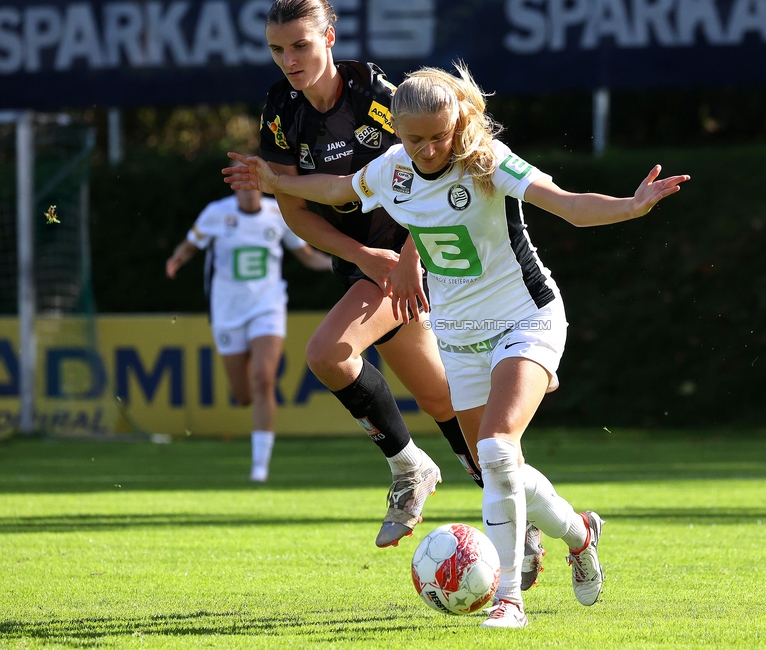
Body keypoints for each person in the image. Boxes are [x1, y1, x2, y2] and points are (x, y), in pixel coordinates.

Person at [224, 62, 690, 628]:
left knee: (494, 449)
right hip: (460, 336)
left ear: (458, 122)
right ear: (395, 128)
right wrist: (275, 182)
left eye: (437, 136)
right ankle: (580, 532)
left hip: (526, 318)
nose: (425, 148)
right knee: (497, 464)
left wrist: (630, 206)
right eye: (413, 137)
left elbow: (567, 204)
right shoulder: (392, 169)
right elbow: (336, 189)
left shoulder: (487, 162)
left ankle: (509, 599)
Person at [255, 0, 552, 580]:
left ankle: (410, 466)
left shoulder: (378, 97)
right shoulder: (280, 111)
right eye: (277, 49)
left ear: (329, 38)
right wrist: (361, 254)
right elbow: (294, 207)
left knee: (328, 353)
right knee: (442, 401)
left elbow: (435, 182)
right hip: (370, 264)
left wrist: (405, 258)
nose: (289, 60)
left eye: (300, 46)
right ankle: (527, 518)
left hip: (412, 261)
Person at [166, 174, 333, 482]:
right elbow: (190, 245)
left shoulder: (277, 213)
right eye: (241, 183)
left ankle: (260, 467)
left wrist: (340, 262)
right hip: (227, 310)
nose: (248, 189)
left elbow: (306, 256)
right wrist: (177, 259)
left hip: (267, 306)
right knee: (243, 394)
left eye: (252, 181)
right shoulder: (217, 213)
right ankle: (251, 420)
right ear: (234, 187)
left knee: (263, 379)